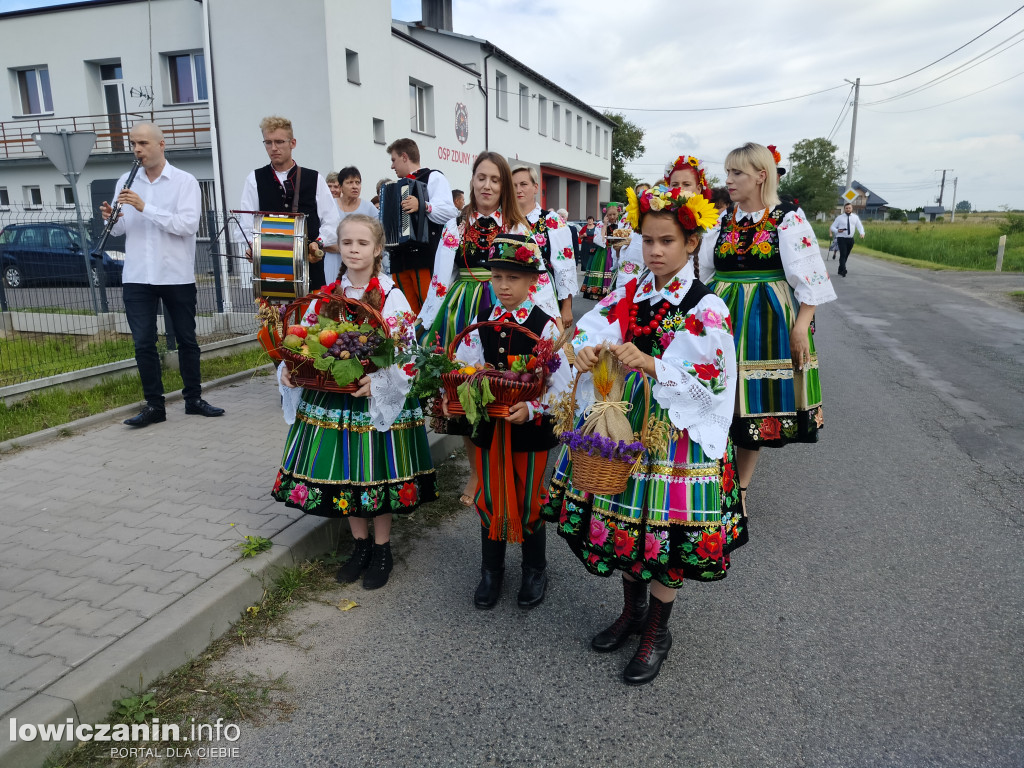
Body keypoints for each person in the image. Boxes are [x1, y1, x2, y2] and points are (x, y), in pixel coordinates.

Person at [543, 185, 744, 685]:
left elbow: (716, 375)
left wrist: (654, 364)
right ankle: (632, 613)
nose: (655, 250)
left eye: (667, 241)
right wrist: (586, 351)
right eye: (649, 240)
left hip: (674, 432)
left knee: (666, 531)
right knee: (626, 519)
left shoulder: (705, 304)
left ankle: (657, 629)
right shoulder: (630, 291)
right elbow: (592, 326)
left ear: (691, 243)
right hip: (627, 422)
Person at [272, 214, 436, 590]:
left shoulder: (391, 296)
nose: (354, 250)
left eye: (362, 244)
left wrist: (380, 381)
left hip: (371, 398)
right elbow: (304, 336)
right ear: (338, 248)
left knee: (374, 471)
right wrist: (289, 366)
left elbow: (408, 353)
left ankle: (382, 548)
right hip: (334, 398)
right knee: (348, 472)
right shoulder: (329, 295)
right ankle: (359, 545)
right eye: (347, 243)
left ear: (377, 249)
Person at [698, 142, 836, 514]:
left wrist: (801, 326)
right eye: (727, 173)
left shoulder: (786, 219)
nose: (728, 180)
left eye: (737, 173)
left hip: (766, 318)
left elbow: (810, 278)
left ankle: (740, 489)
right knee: (715, 396)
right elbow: (704, 272)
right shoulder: (721, 220)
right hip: (721, 316)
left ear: (761, 176)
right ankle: (712, 479)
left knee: (752, 405)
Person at [445, 234, 571, 609]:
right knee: (490, 492)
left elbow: (560, 387)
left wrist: (532, 409)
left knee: (529, 494)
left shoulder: (545, 327)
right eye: (497, 277)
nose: (504, 286)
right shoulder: (481, 321)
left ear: (533, 281)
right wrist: (465, 382)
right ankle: (491, 570)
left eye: (513, 279)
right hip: (490, 426)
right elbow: (464, 364)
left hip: (528, 431)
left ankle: (535, 568)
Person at [101, 122, 223, 428]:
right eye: (133, 144)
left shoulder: (185, 181)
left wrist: (145, 207)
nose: (137, 149)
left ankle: (193, 399)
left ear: (161, 145)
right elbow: (120, 229)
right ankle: (154, 406)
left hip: (175, 274)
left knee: (186, 340)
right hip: (138, 275)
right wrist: (110, 219)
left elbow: (187, 226)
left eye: (143, 143)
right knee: (143, 342)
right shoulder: (125, 182)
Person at [237, 116, 340, 291]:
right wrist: (251, 246)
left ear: (292, 143)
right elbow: (246, 224)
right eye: (268, 142)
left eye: (279, 141)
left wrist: (319, 243)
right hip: (271, 272)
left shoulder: (314, 179)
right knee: (275, 319)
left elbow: (332, 221)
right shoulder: (254, 179)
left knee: (311, 318)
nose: (273, 148)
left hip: (310, 271)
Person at [386, 138, 458, 313]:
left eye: (393, 160)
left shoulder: (433, 177)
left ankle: (433, 341)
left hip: (424, 257)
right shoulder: (395, 187)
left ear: (404, 157)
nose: (392, 166)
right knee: (405, 313)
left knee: (430, 310)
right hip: (399, 260)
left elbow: (449, 211)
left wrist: (423, 206)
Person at [511, 166, 577, 328]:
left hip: (543, 293)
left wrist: (566, 307)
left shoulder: (551, 220)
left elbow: (565, 265)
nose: (518, 189)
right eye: (513, 185)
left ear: (535, 187)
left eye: (523, 184)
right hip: (510, 293)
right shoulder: (506, 220)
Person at [323, 166, 378, 280]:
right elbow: (321, 237)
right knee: (333, 294)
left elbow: (379, 236)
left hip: (360, 262)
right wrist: (344, 249)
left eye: (358, 183)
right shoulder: (330, 206)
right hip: (334, 261)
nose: (355, 186)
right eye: (350, 182)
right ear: (341, 186)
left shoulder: (369, 208)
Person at [581, 202, 625, 299]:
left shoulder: (622, 224)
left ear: (618, 213)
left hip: (619, 251)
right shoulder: (601, 224)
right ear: (606, 215)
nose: (612, 217)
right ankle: (601, 295)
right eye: (610, 215)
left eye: (614, 214)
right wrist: (605, 225)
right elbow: (599, 240)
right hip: (604, 253)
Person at [829, 202, 865, 277]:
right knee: (843, 254)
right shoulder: (840, 218)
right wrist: (837, 230)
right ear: (844, 209)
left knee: (846, 255)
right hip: (841, 238)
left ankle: (840, 269)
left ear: (852, 209)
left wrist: (862, 233)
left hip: (850, 239)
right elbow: (832, 227)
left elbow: (859, 226)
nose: (848, 209)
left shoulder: (855, 217)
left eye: (849, 208)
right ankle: (844, 269)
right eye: (846, 208)